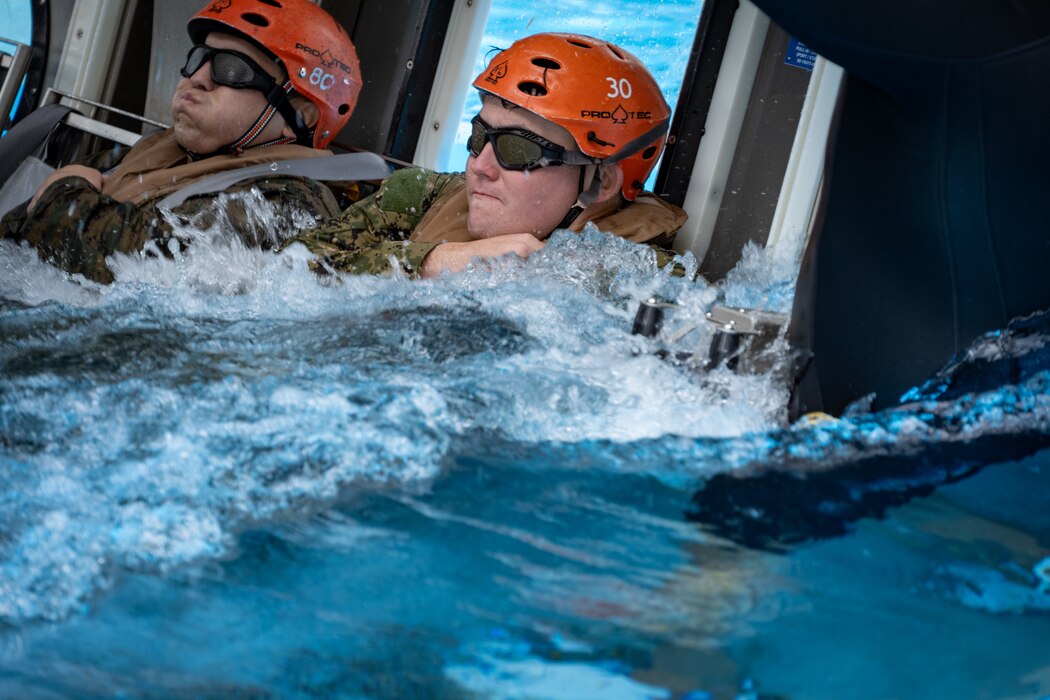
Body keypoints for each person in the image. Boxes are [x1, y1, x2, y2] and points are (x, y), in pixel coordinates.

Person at [1, 0, 363, 284]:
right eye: (198, 59)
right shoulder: (159, 152)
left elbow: (138, 264)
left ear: (298, 117)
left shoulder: (291, 202)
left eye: (231, 69)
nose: (197, 78)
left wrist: (64, 191)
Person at [291, 32, 687, 278]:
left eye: (518, 149)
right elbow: (284, 268)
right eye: (480, 135)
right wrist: (433, 261)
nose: (479, 166)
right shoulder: (421, 195)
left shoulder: (639, 277)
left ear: (600, 182)